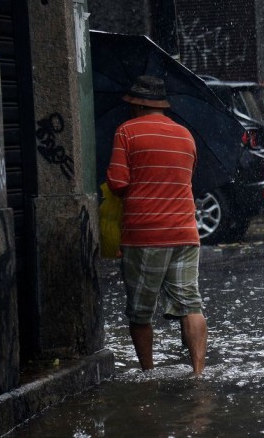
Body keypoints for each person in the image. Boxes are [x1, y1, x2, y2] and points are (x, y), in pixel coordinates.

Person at [106, 75, 207, 375]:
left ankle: (148, 373)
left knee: (140, 311)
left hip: (145, 234)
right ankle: (198, 373)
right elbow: (186, 177)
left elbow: (117, 182)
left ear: (137, 104)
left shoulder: (126, 132)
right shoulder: (185, 135)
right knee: (191, 303)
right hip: (186, 233)